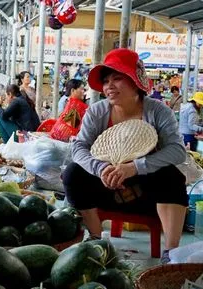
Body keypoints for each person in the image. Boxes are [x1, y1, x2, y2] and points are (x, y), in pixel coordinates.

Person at [62, 48, 188, 264]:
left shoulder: (158, 111)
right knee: (73, 173)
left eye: (117, 78)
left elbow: (177, 150)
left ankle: (171, 253)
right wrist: (100, 169)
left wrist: (135, 167)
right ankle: (96, 241)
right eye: (106, 81)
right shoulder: (97, 111)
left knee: (173, 177)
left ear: (135, 82)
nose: (109, 86)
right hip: (106, 189)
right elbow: (79, 147)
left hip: (147, 196)